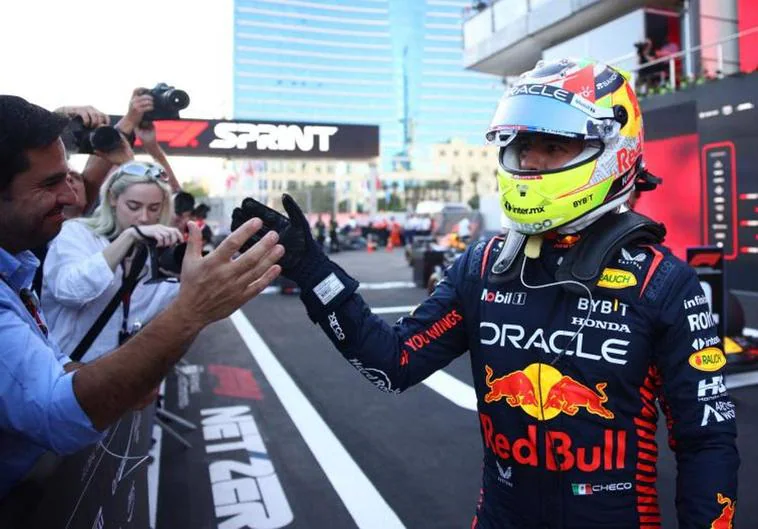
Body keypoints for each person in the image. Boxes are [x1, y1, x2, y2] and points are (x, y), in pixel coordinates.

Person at [232, 59, 738, 529]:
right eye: (522, 147)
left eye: (554, 147)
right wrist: (312, 270)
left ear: (612, 152)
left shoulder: (664, 282)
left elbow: (706, 440)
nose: (531, 162)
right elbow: (394, 363)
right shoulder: (483, 263)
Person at [0, 95, 283, 499]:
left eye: (68, 176)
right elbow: (72, 295)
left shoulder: (18, 262)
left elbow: (56, 361)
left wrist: (200, 290)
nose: (70, 197)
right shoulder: (76, 235)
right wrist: (190, 309)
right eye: (50, 183)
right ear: (114, 201)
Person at [41, 161, 183, 362]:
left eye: (154, 208)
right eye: (134, 206)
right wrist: (129, 237)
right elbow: (70, 291)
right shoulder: (76, 232)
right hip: (63, 370)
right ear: (113, 198)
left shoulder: (155, 255)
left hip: (116, 377)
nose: (143, 217)